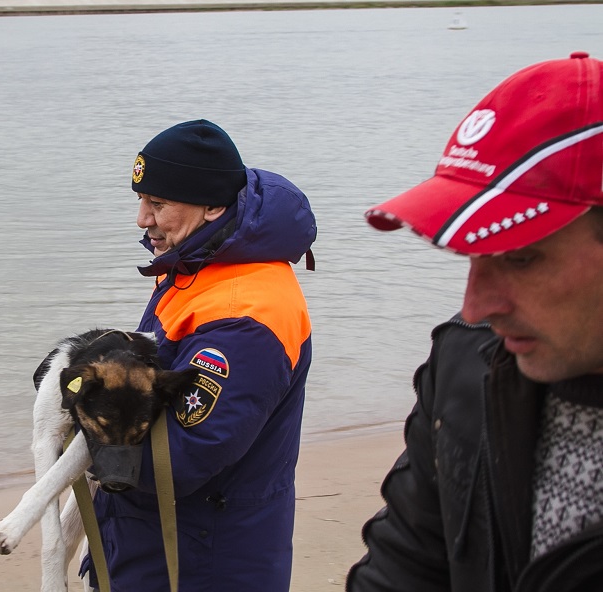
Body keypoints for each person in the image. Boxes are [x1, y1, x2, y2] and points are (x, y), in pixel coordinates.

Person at [347, 52, 603, 592]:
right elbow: (406, 566)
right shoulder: (466, 369)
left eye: (520, 258)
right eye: (472, 257)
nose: (475, 307)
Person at [80, 119, 317, 591]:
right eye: (141, 200)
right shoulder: (199, 267)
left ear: (212, 205)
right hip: (158, 545)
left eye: (158, 204)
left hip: (199, 560)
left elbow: (180, 457)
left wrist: (76, 414)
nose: (142, 219)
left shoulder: (243, 319)